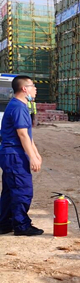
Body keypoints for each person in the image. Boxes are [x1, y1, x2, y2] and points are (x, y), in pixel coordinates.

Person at [0, 75, 43, 236]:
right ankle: (21, 225)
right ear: (24, 89)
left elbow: (27, 135)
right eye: (33, 86)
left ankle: (4, 223)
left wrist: (36, 153)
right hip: (14, 155)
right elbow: (22, 134)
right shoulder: (18, 107)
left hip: (11, 154)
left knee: (10, 191)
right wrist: (31, 157)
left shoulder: (19, 105)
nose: (35, 89)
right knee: (22, 190)